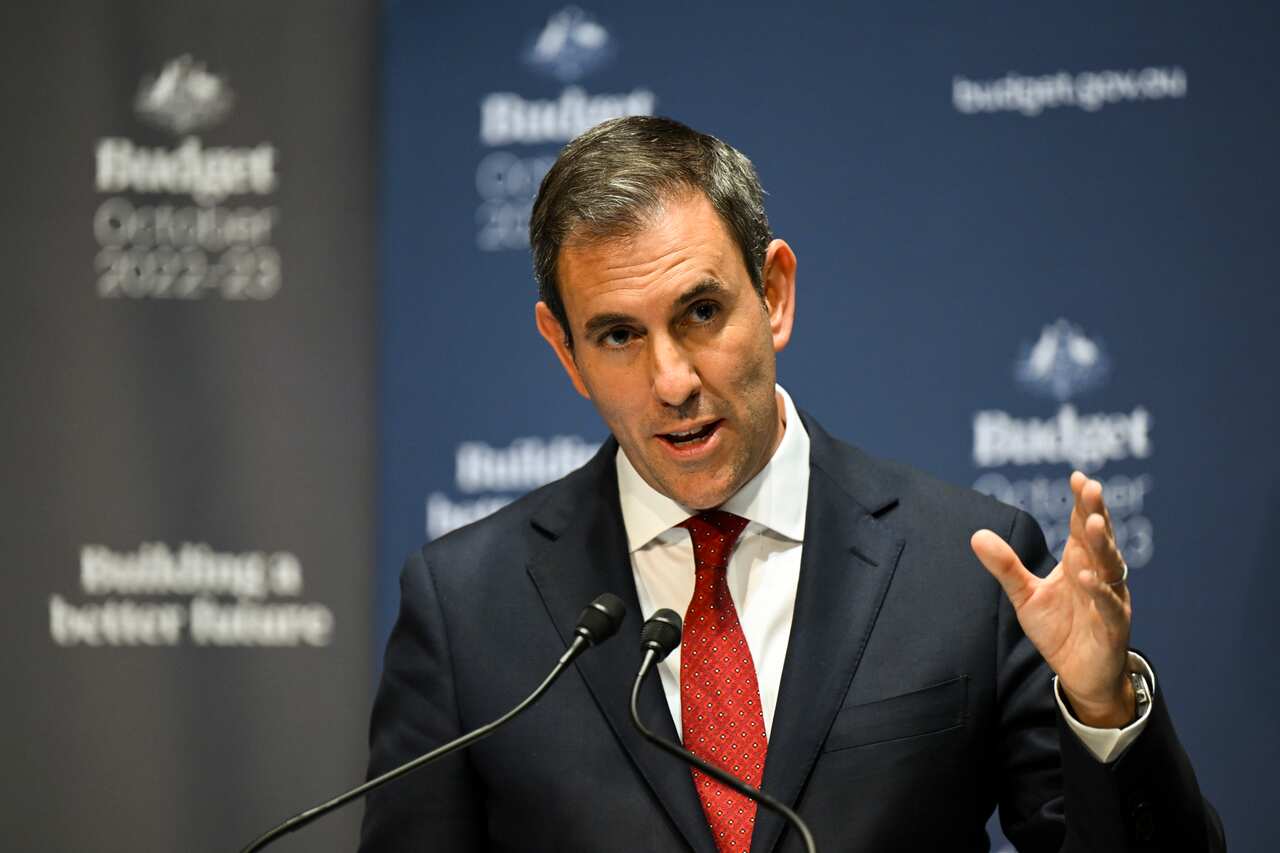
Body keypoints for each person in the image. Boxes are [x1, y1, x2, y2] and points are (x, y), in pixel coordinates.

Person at [360, 116, 1224, 852]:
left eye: (701, 312)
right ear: (565, 351)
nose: (670, 380)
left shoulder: (964, 568)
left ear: (773, 292)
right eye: (619, 335)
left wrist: (1103, 704)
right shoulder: (467, 608)